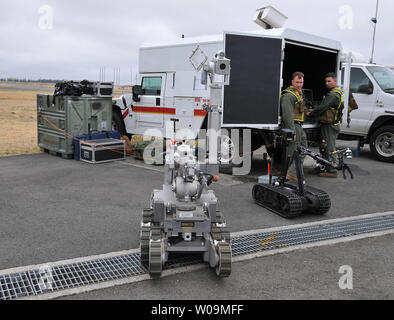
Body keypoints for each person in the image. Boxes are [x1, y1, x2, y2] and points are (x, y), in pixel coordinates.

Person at [307, 73, 345, 178]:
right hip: (329, 124)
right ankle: (322, 166)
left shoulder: (332, 95)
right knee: (323, 147)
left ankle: (332, 170)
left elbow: (322, 108)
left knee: (329, 147)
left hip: (330, 126)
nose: (327, 83)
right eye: (326, 81)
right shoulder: (337, 92)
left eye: (329, 81)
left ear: (335, 82)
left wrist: (311, 113)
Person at [280, 72, 308, 182]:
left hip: (299, 126)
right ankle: (286, 176)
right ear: (292, 82)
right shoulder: (288, 95)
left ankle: (291, 173)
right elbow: (287, 115)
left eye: (301, 82)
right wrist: (292, 131)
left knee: (303, 149)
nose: (299, 84)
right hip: (293, 126)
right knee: (291, 153)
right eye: (297, 82)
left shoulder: (299, 94)